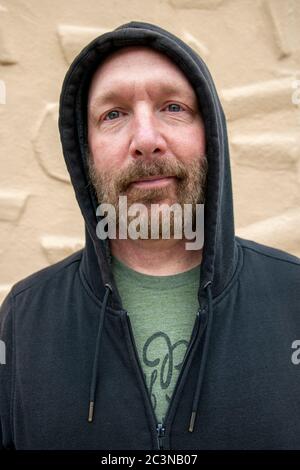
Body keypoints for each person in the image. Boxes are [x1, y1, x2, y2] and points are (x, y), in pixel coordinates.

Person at [0, 21, 299, 451]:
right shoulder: (26, 317)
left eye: (173, 107)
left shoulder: (294, 297)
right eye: (114, 114)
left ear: (210, 136)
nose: (145, 139)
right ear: (85, 154)